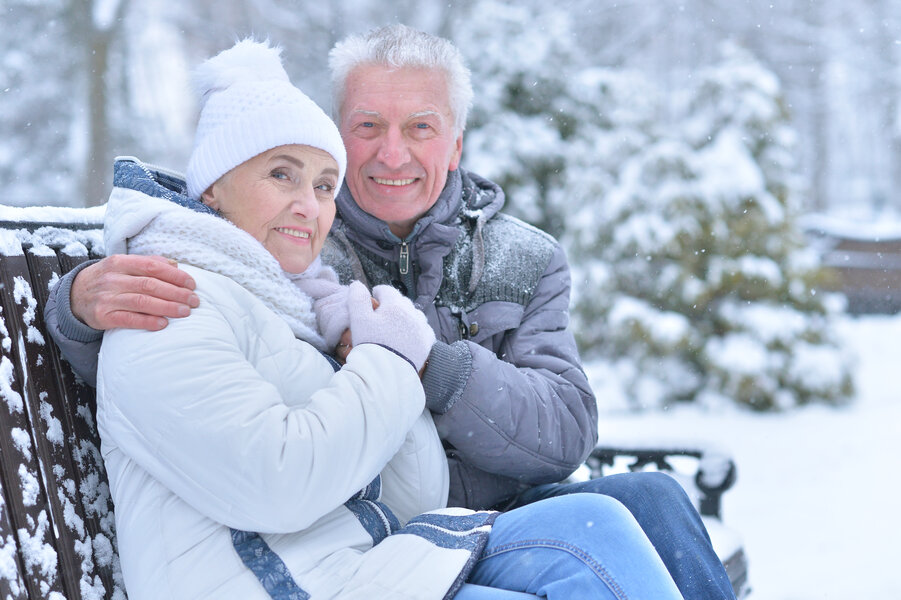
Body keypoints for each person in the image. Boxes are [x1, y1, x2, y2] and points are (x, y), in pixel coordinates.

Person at [45, 26, 736, 600]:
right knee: (599, 534)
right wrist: (76, 306)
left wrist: (431, 364)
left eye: (421, 128)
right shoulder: (293, 249)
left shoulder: (521, 258)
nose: (392, 152)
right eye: (367, 127)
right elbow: (183, 334)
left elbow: (563, 432)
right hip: (366, 533)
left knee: (652, 502)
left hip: (478, 514)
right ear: (340, 136)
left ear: (455, 145)